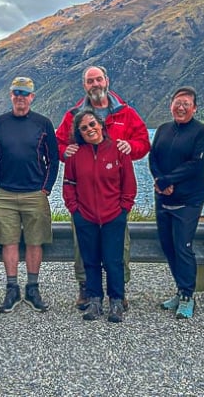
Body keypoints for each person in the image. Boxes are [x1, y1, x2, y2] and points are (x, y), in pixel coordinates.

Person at [55, 65, 150, 310]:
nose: (95, 84)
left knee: (119, 248)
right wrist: (65, 152)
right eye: (90, 81)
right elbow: (58, 143)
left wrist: (131, 147)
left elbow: (142, 141)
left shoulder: (126, 113)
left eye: (98, 79)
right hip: (85, 202)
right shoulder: (74, 114)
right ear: (84, 86)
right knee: (83, 248)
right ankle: (86, 289)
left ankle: (119, 291)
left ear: (107, 81)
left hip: (112, 201)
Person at [0, 77, 59, 313]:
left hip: (34, 193)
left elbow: (54, 159)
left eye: (25, 93)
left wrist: (46, 187)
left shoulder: (43, 123)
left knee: (34, 240)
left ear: (32, 97)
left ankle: (32, 287)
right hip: (5, 193)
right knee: (8, 241)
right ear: (11, 95)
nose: (20, 96)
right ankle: (12, 289)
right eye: (16, 92)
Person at [63, 109, 136, 323]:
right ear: (79, 133)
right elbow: (68, 185)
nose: (90, 129)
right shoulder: (75, 155)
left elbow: (129, 184)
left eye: (92, 124)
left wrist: (124, 210)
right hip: (85, 216)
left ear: (101, 125)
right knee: (91, 261)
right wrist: (75, 210)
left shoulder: (118, 150)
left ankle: (116, 301)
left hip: (113, 216)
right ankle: (95, 300)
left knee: (114, 261)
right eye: (84, 128)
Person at [149, 87, 204, 319]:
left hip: (188, 200)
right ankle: (180, 289)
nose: (181, 107)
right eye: (178, 102)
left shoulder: (202, 132)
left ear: (194, 108)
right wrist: (158, 179)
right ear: (171, 105)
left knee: (183, 247)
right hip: (163, 198)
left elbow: (195, 164)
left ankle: (187, 295)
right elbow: (153, 156)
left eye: (187, 103)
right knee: (168, 247)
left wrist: (168, 179)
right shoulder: (164, 129)